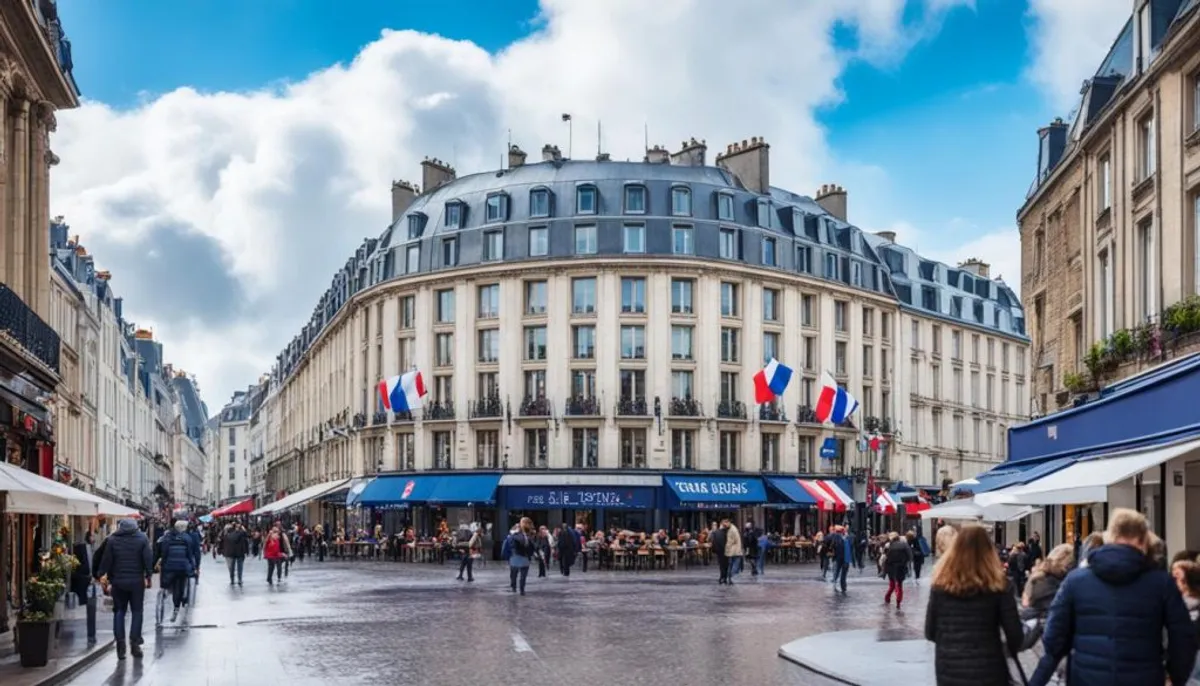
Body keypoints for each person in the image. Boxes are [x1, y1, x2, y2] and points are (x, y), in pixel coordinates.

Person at [1029, 508, 1197, 686]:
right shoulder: (1162, 584)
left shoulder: (1076, 581)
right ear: (1143, 541)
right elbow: (1184, 640)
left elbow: (1053, 638)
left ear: (1110, 538)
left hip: (1087, 677)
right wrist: (1174, 676)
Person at [924, 524, 1024, 686]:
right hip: (990, 671)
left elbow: (930, 632)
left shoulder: (940, 586)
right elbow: (1015, 636)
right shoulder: (999, 586)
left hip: (949, 671)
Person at [97, 518, 154, 660]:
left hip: (118, 582)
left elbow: (106, 560)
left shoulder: (113, 540)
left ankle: (120, 645)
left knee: (119, 612)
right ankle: (135, 643)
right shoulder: (142, 538)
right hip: (136, 582)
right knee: (137, 612)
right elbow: (148, 558)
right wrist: (148, 575)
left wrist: (100, 575)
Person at [155, 520, 199, 623]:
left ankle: (165, 592)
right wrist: (193, 567)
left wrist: (162, 564)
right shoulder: (187, 538)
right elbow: (189, 555)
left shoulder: (167, 537)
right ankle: (177, 606)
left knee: (167, 583)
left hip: (169, 567)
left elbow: (164, 553)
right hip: (182, 567)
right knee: (179, 586)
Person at [70, 531, 97, 644]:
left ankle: (91, 636)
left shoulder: (91, 548)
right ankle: (91, 636)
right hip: (85, 584)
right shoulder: (82, 548)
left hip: (90, 584)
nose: (94, 538)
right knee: (90, 608)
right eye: (92, 535)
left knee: (91, 609)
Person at [501, 518, 535, 596]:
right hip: (518, 557)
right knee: (516, 574)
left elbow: (531, 547)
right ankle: (517, 588)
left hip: (520, 557)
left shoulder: (526, 535)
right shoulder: (517, 535)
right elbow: (512, 544)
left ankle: (519, 589)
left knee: (519, 575)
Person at [883, 531, 913, 608]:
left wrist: (884, 570)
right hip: (901, 567)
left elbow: (885, 557)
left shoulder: (889, 545)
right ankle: (898, 601)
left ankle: (887, 597)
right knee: (899, 585)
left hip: (890, 567)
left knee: (892, 584)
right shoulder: (904, 545)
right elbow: (910, 556)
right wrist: (906, 563)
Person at [827, 525, 852, 594]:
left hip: (844, 558)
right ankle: (839, 585)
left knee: (841, 573)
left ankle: (842, 586)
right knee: (838, 572)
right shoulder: (837, 537)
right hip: (840, 558)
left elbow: (851, 547)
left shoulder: (847, 538)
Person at [712, 520, 730, 585]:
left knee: (721, 565)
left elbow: (714, 542)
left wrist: (714, 550)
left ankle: (722, 577)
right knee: (726, 565)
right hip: (726, 550)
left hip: (719, 551)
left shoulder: (716, 532)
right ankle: (724, 577)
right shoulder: (726, 532)